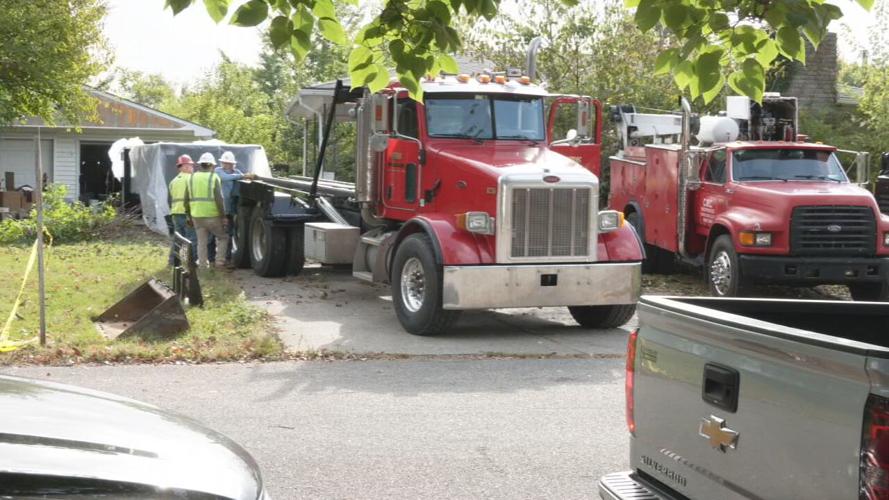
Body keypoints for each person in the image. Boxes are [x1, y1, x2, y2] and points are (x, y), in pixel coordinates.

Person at [184, 152, 228, 269]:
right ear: (212, 166)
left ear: (200, 165)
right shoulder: (214, 177)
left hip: (197, 216)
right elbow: (219, 199)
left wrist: (188, 216)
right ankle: (219, 262)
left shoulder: (191, 177)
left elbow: (186, 200)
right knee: (223, 237)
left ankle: (203, 266)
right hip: (213, 215)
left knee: (201, 242)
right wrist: (223, 216)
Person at [214, 151, 255, 267]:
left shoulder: (237, 172)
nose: (227, 165)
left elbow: (244, 181)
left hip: (232, 209)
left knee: (230, 233)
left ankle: (228, 258)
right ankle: (214, 259)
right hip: (221, 208)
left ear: (233, 164)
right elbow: (225, 178)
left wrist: (248, 177)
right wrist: (243, 176)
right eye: (225, 163)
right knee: (219, 234)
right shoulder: (218, 171)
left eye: (229, 163)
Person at [168, 154, 197, 265]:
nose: (192, 168)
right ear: (184, 166)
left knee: (178, 239)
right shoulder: (191, 179)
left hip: (176, 213)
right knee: (191, 239)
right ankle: (190, 263)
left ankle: (173, 261)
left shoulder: (173, 181)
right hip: (187, 214)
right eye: (190, 165)